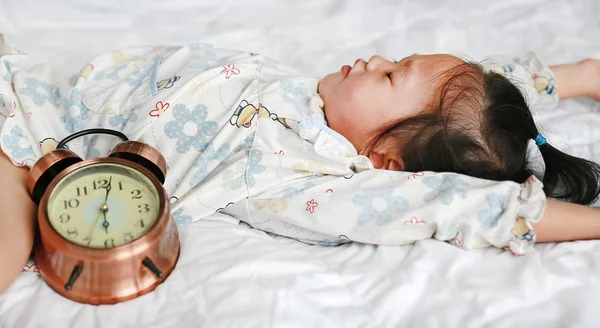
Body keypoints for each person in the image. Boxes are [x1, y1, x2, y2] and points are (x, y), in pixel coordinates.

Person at [0, 34, 599, 295]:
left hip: (41, 149)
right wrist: (574, 78)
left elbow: (462, 204)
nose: (374, 58)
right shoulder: (323, 98)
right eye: (394, 59)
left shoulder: (317, 176)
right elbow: (479, 92)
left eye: (390, 74)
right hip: (44, 89)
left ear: (388, 162)